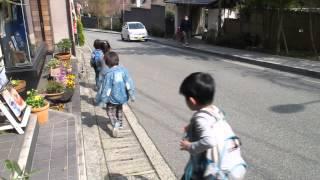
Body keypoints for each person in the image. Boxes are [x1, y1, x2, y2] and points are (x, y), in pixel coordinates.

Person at [179, 72, 246, 180]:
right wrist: (191, 126)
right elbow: (211, 124)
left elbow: (209, 141)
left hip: (212, 172)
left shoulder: (200, 118)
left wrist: (189, 146)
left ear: (192, 100)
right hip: (231, 167)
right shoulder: (215, 111)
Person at [95, 51, 135, 138]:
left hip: (112, 98)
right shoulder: (124, 71)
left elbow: (106, 88)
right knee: (119, 109)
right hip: (123, 96)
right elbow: (129, 83)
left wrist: (103, 99)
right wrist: (132, 95)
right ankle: (120, 124)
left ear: (107, 63)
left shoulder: (108, 74)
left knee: (110, 111)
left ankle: (115, 123)